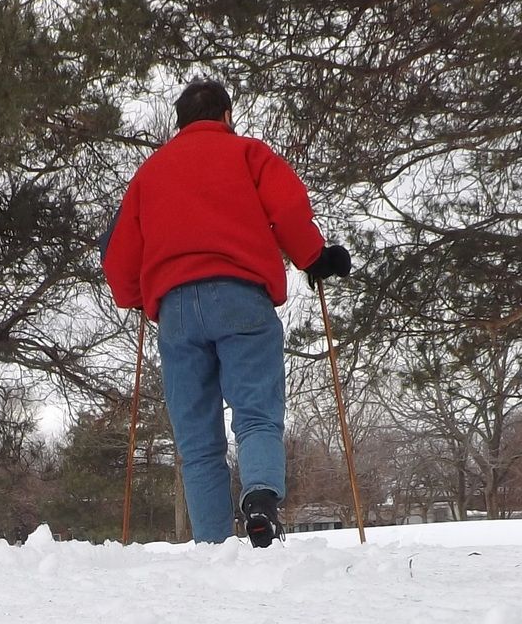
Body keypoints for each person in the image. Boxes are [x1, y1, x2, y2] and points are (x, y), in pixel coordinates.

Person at [100, 79, 350, 547]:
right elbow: (290, 209)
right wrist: (313, 257)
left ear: (180, 124)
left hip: (175, 309)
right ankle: (259, 500)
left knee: (196, 439)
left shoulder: (148, 174)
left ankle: (213, 547)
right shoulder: (249, 154)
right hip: (241, 296)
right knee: (256, 414)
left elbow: (116, 255)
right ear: (226, 116)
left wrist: (135, 293)